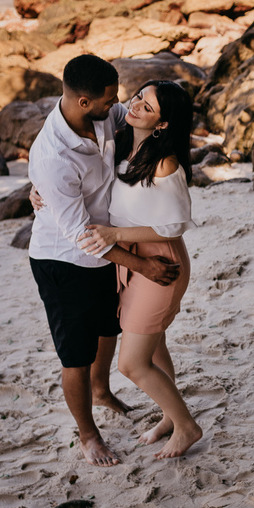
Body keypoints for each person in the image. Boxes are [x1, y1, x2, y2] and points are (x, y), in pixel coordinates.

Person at [28, 55, 179, 467]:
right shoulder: (54, 157)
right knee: (75, 354)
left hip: (105, 251)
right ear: (82, 101)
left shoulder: (102, 114)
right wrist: (141, 264)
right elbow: (78, 235)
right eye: (111, 98)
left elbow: (134, 118)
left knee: (108, 328)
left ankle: (102, 389)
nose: (119, 104)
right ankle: (88, 433)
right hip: (63, 261)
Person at [77, 80, 204, 459]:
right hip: (130, 261)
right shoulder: (122, 141)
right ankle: (171, 415)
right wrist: (40, 190)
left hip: (158, 261)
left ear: (163, 124)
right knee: (156, 343)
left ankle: (186, 426)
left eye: (147, 108)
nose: (135, 107)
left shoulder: (164, 161)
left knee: (132, 364)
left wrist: (115, 232)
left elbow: (176, 223)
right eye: (138, 99)